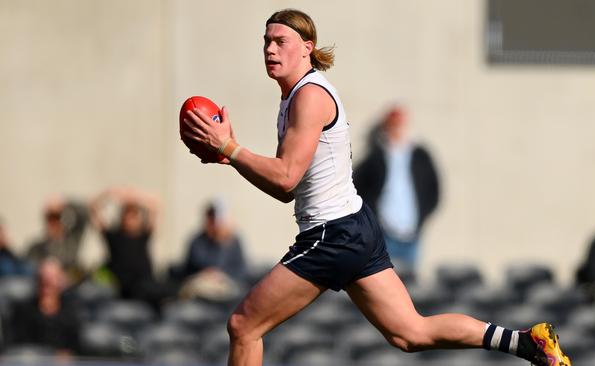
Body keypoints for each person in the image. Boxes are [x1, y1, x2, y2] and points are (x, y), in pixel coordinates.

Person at [180, 9, 570, 366]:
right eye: (265, 41)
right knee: (410, 333)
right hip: (354, 226)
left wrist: (229, 146)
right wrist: (230, 156)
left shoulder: (310, 96)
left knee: (243, 326)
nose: (270, 48)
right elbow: (285, 189)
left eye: (280, 41)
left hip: (332, 234)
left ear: (307, 48)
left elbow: (285, 177)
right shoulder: (294, 97)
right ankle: (524, 342)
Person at [354, 105, 440, 269]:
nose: (397, 131)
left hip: (412, 231)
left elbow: (433, 190)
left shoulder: (420, 155)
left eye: (400, 126)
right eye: (393, 126)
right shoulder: (376, 156)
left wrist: (423, 217)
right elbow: (359, 189)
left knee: (410, 281)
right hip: (384, 231)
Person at [89, 187, 170, 307]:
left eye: (134, 215)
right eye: (128, 215)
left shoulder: (143, 235)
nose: (131, 220)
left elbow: (155, 205)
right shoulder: (114, 236)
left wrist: (134, 196)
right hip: (124, 288)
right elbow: (93, 207)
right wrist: (110, 193)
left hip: (146, 285)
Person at [176, 198, 248, 300]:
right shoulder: (197, 241)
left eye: (216, 219)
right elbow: (192, 268)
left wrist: (223, 243)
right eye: (211, 218)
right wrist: (208, 274)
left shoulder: (233, 241)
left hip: (226, 288)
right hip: (201, 287)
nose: (213, 223)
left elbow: (240, 272)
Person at [11, 257, 80, 357]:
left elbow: (76, 345)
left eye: (52, 278)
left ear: (60, 281)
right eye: (42, 278)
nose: (47, 282)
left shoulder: (71, 310)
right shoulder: (23, 310)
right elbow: (20, 345)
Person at [25, 196, 89, 281]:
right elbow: (28, 267)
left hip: (71, 286)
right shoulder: (37, 247)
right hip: (48, 286)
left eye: (57, 218)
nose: (54, 223)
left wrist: (65, 203)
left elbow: (84, 213)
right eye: (50, 219)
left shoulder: (71, 240)